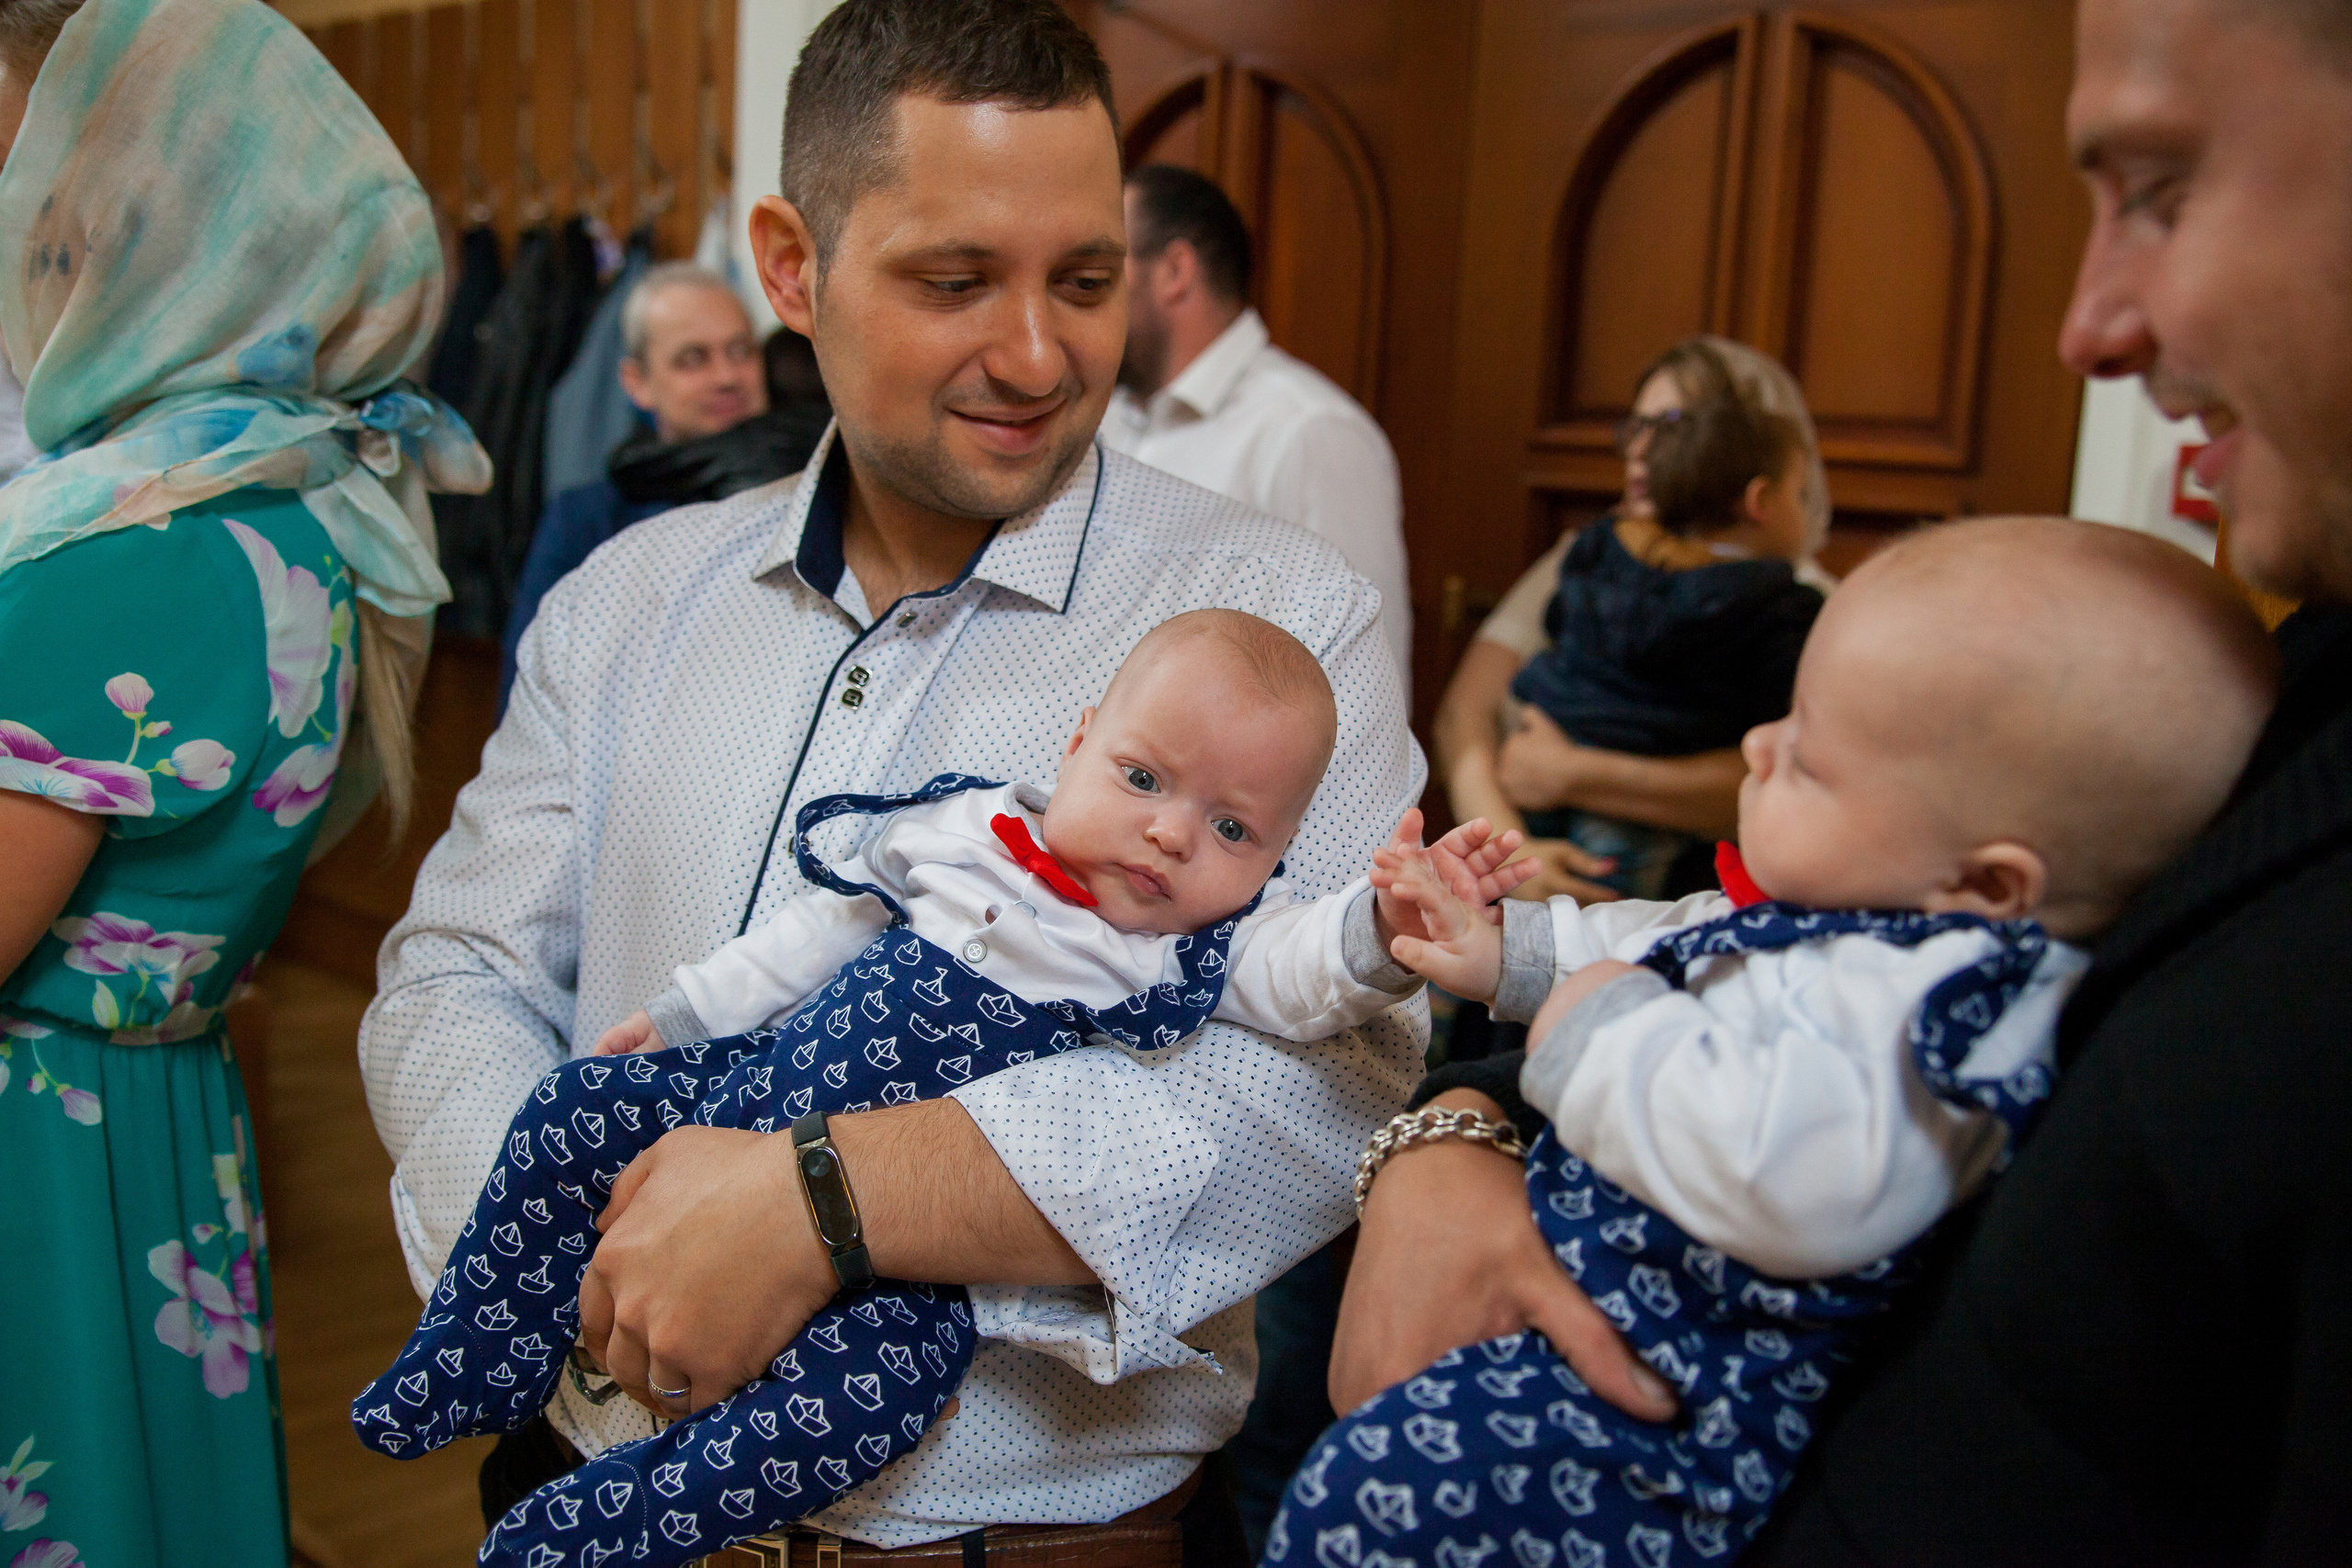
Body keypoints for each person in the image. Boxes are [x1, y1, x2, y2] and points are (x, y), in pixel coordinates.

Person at [358, 0, 1421, 1552]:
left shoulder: (1284, 622)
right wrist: (612, 1266)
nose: (1041, 354)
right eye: (955, 281)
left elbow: (1311, 1090)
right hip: (576, 1477)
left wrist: (826, 1201)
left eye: (1085, 279)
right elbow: (460, 967)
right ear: (792, 265)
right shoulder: (628, 596)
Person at [1336, 1, 2352, 1559]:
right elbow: (1670, 944)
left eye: (2159, 186)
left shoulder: (1960, 878)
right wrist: (1451, 1128)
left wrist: (1561, 988)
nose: (2087, 328)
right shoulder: (2299, 705)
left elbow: (1770, 1093)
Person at [362, 613, 1525, 1567]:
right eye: (1141, 777)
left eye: (1231, 827)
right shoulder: (968, 829)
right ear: (1075, 745)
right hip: (749, 1087)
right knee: (570, 1110)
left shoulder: (1206, 946)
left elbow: (1310, 981)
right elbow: (814, 936)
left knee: (881, 1391)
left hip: (913, 1257)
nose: (1170, 834)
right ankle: (480, 1345)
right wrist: (676, 1021)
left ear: (1274, 861)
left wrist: (1381, 924)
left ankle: (625, 1520)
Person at [1272, 517, 2274, 1564]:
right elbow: (1654, 942)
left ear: (1984, 884)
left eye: (1807, 757)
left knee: (1375, 1507)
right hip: (1573, 1315)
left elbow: (1794, 1180)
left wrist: (1594, 1038)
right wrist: (1498, 951)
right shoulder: (1855, 914)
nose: (1757, 744)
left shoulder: (1944, 1017)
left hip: (1657, 1416)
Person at [0, 1, 486, 1565]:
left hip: (41, 1152)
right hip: (136, 1127)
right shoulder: (280, 516)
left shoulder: (141, 556)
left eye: (44, 227)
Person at [1436, 337, 1832, 908]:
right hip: (1520, 869)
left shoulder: (1794, 602)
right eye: (1636, 427)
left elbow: (1792, 778)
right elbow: (1462, 715)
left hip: (1678, 898)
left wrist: (1575, 773)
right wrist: (1509, 855)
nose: (1644, 449)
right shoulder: (1590, 553)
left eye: (1674, 424)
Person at [1101, 164, 1412, 697]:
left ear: (1174, 270)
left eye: (1102, 272)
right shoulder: (1103, 412)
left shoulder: (1311, 433)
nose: (1083, 299)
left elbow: (1365, 689)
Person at [497, 264, 829, 708]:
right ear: (638, 382)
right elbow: (530, 690)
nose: (727, 377)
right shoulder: (590, 519)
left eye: (740, 351)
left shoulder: (819, 489)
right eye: (693, 359)